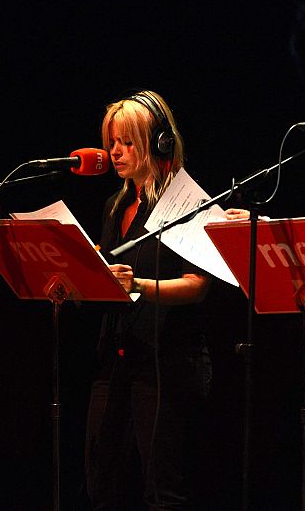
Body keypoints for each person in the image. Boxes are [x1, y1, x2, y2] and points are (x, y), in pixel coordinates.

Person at [84, 90, 245, 510]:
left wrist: (139, 285)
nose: (115, 153)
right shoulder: (115, 203)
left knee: (163, 488)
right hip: (116, 354)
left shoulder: (187, 204)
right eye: (112, 143)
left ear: (159, 144)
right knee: (101, 481)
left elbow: (197, 285)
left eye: (127, 143)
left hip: (167, 361)